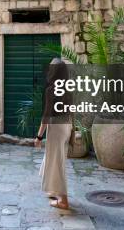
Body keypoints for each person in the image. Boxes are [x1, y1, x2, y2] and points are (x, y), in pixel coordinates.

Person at [34, 58, 73, 209]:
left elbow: (46, 116)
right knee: (54, 159)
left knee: (57, 163)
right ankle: (53, 189)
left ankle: (63, 200)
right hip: (66, 126)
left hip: (56, 129)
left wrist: (38, 137)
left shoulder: (51, 90)